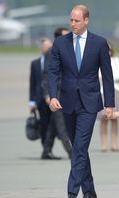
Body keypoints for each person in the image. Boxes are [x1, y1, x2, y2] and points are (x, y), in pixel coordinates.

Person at [47, 5, 115, 198]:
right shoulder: (60, 43)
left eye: (77, 20)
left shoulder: (99, 43)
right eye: (71, 20)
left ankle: (72, 192)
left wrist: (109, 103)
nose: (73, 24)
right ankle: (90, 190)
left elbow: (108, 75)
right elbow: (52, 71)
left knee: (79, 147)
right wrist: (52, 96)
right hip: (66, 102)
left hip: (89, 102)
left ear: (86, 20)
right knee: (78, 148)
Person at [41, 27, 72, 160]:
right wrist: (48, 95)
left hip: (65, 93)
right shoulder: (51, 52)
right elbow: (47, 75)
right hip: (56, 94)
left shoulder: (67, 50)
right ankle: (72, 152)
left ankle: (46, 151)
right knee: (62, 125)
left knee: (54, 125)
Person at [97, 42, 119, 152]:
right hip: (102, 91)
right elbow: (98, 75)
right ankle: (104, 144)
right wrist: (109, 76)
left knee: (114, 118)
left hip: (116, 90)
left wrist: (107, 76)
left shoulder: (115, 60)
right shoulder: (97, 61)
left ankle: (114, 144)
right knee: (103, 118)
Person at [29, 37, 52, 151]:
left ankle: (50, 147)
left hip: (53, 99)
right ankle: (46, 149)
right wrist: (31, 102)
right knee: (44, 124)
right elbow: (32, 83)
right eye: (47, 47)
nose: (49, 49)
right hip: (40, 99)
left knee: (55, 126)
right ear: (41, 49)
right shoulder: (35, 63)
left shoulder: (55, 61)